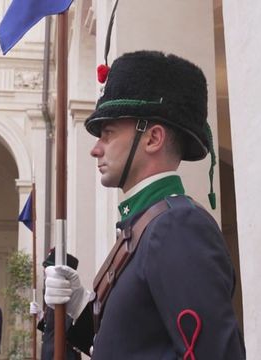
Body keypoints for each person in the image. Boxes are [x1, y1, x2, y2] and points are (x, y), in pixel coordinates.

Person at [44, 50, 246, 359]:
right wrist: (81, 304)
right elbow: (135, 345)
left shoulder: (177, 227)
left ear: (152, 139)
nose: (95, 150)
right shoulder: (147, 222)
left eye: (108, 134)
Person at [29, 249, 81, 360]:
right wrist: (41, 315)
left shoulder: (67, 297)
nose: (45, 272)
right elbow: (52, 327)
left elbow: (65, 333)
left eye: (49, 269)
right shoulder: (53, 294)